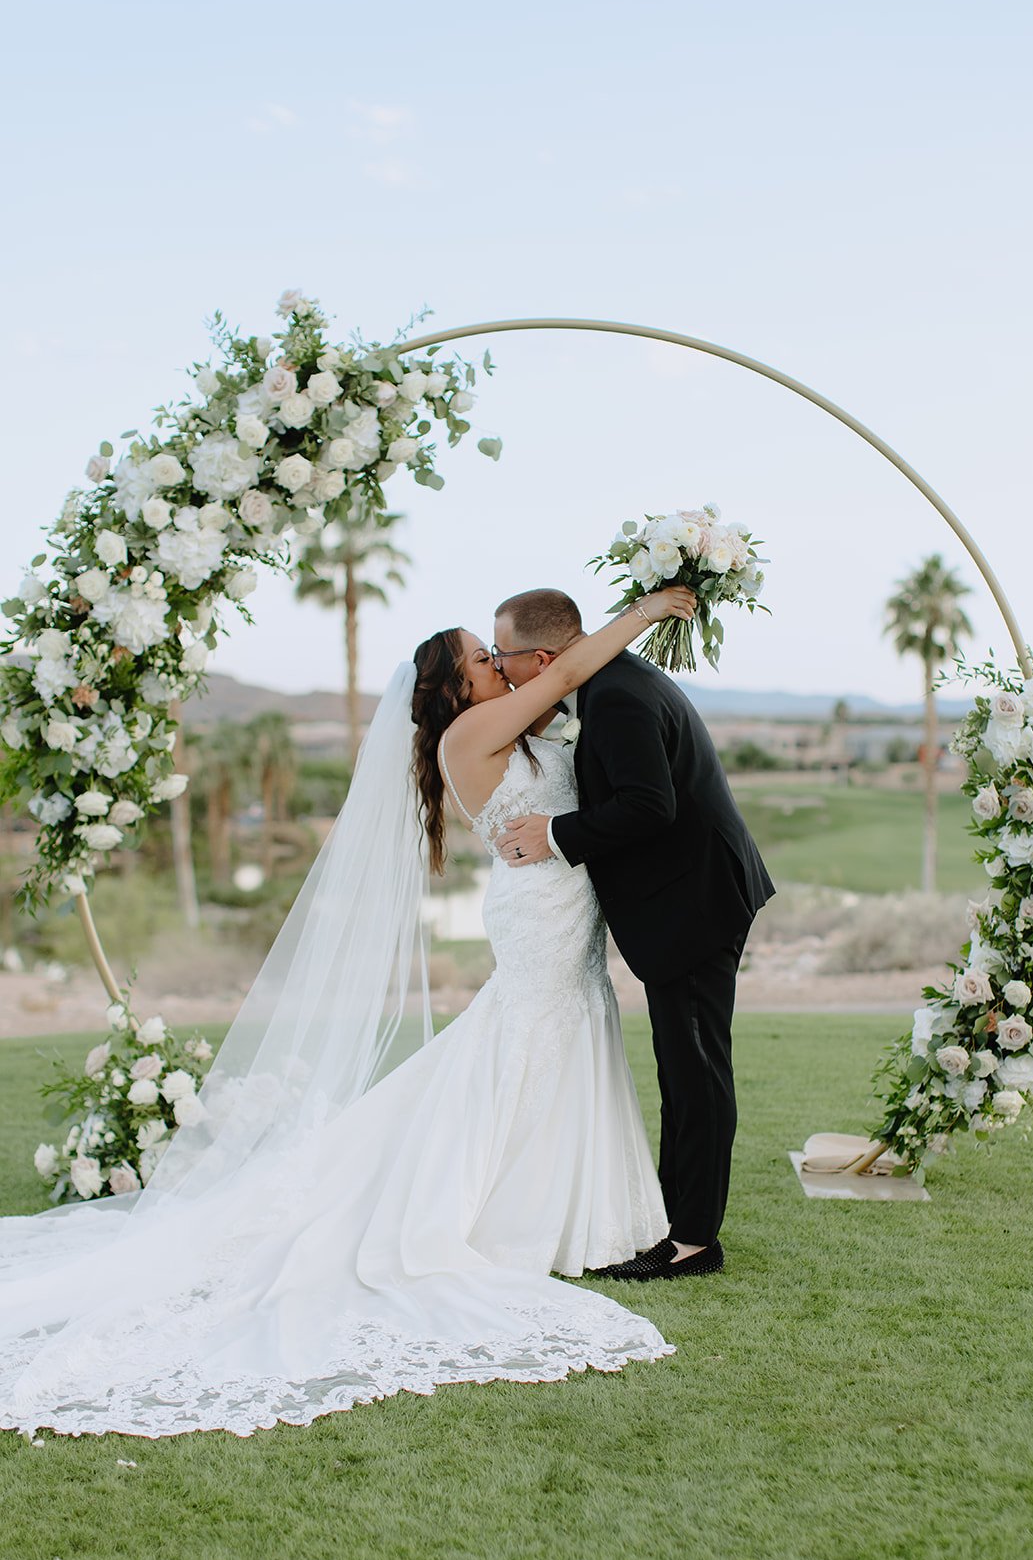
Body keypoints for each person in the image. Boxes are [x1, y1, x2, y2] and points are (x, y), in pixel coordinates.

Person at [0, 585, 695, 1439]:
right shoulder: (472, 733)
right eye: (482, 657)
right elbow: (573, 666)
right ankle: (499, 1209)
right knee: (524, 1040)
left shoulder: (508, 723)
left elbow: (567, 699)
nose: (497, 664)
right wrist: (646, 610)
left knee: (562, 1034)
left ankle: (563, 1210)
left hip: (561, 907)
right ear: (454, 685)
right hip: (536, 915)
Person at [492, 589, 775, 1280]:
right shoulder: (616, 680)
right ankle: (676, 1219)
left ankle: (694, 1241)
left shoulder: (614, 696)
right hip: (689, 896)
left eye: (502, 657)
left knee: (697, 1070)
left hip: (694, 903)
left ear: (541, 657)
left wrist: (555, 833)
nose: (500, 671)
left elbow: (650, 806)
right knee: (681, 1068)